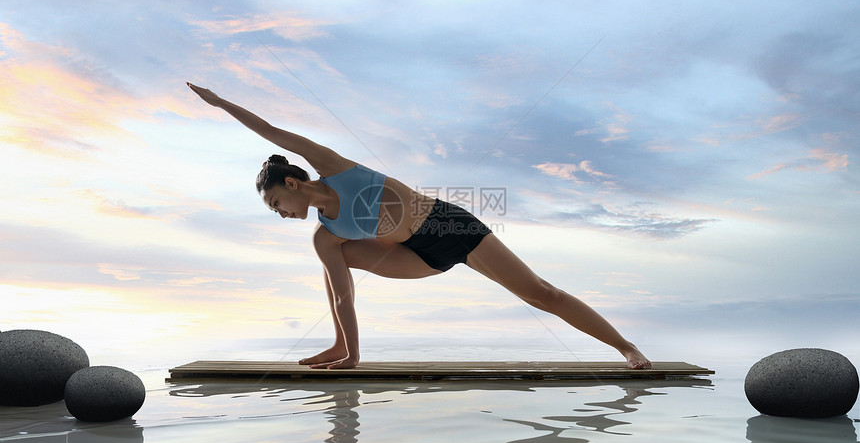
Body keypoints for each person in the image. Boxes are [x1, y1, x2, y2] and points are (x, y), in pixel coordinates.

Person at [187, 83, 651, 370]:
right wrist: (353, 353)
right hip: (417, 256)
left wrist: (220, 102)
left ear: (293, 183)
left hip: (450, 226)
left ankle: (625, 347)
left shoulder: (330, 165)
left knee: (541, 294)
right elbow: (344, 292)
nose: (279, 212)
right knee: (335, 261)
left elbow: (271, 130)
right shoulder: (324, 235)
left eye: (275, 202)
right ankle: (338, 346)